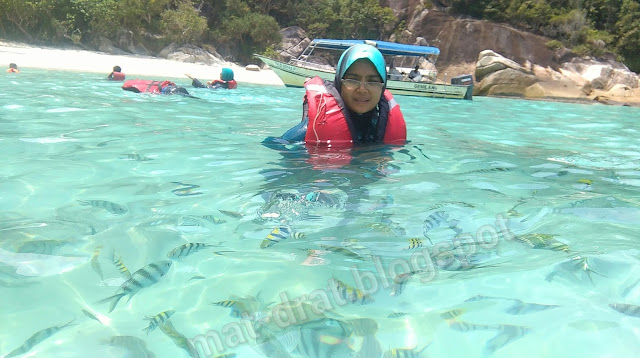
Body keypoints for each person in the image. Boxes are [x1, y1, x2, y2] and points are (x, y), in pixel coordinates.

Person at [270, 44, 406, 147]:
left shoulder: (383, 128)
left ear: (383, 86)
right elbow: (276, 147)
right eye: (352, 79)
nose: (362, 89)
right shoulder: (307, 131)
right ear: (339, 83)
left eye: (373, 81)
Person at [122, 79, 193, 97]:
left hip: (167, 90)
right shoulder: (143, 82)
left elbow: (136, 90)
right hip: (174, 87)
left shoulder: (134, 86)